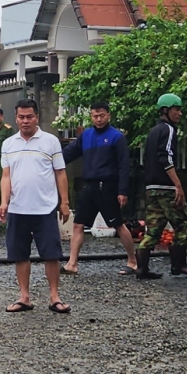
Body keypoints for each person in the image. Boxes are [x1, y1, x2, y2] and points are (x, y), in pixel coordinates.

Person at [0, 98, 71, 314]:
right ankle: (24, 297)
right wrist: (4, 202)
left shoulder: (50, 141)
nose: (25, 121)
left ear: (37, 117)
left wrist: (64, 202)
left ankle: (55, 297)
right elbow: (5, 176)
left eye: (29, 116)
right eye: (21, 117)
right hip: (18, 208)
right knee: (19, 254)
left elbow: (60, 173)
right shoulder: (8, 144)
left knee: (51, 253)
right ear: (16, 118)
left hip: (45, 208)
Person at [62, 100, 138, 275]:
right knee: (78, 224)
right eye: (95, 116)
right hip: (88, 186)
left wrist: (123, 191)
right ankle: (72, 263)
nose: (99, 119)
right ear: (91, 116)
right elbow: (69, 153)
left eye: (102, 115)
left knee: (118, 224)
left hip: (108, 187)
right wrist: (51, 161)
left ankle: (133, 261)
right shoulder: (86, 135)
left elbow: (124, 166)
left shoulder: (116, 137)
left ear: (108, 115)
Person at [138, 92, 187, 279]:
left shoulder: (153, 131)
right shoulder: (168, 130)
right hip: (166, 188)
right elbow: (165, 157)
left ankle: (141, 268)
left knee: (154, 229)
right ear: (165, 111)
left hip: (151, 188)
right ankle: (179, 265)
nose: (180, 113)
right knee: (185, 224)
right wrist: (177, 184)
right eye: (177, 109)